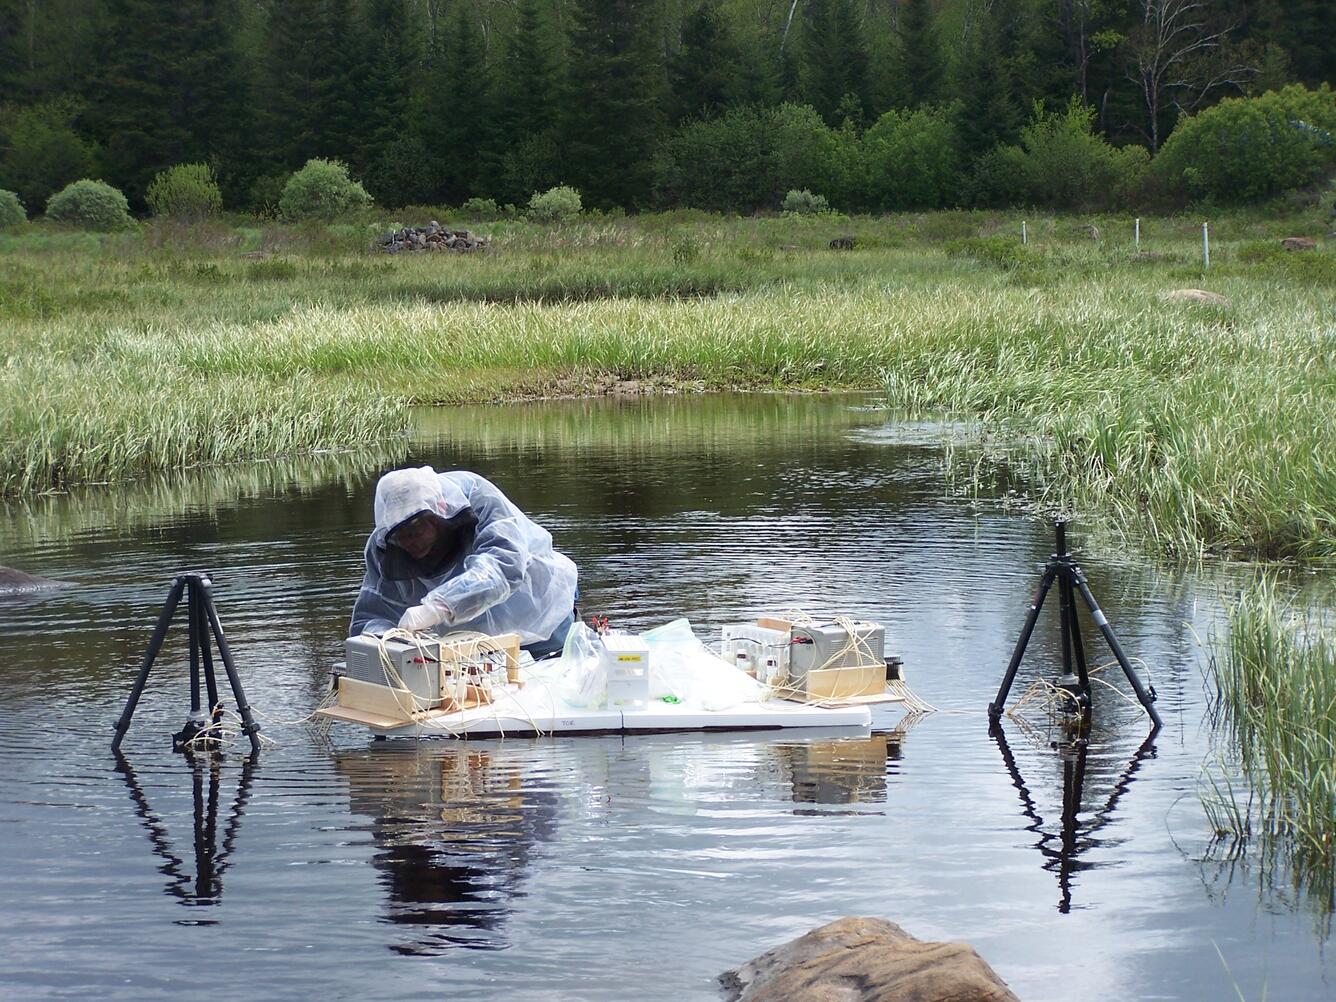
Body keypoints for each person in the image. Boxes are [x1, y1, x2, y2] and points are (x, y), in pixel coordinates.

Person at [349, 466, 578, 658]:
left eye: (416, 530)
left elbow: (503, 565)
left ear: (439, 510)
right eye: (400, 535)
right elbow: (372, 615)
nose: (409, 541)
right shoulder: (384, 549)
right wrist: (386, 639)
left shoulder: (479, 500)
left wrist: (439, 607)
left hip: (540, 617)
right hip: (474, 651)